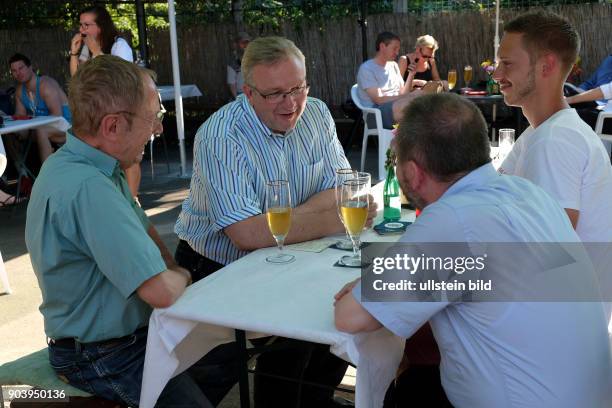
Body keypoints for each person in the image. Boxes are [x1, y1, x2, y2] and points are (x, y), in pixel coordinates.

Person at [334, 92, 612, 408]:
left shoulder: (454, 219)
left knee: (405, 388)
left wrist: (375, 279)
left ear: (412, 172)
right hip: (589, 395)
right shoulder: (529, 194)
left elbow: (350, 318)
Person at [175, 36, 376, 407]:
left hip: (296, 252)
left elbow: (344, 190)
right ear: (247, 93)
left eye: (297, 88)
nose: (291, 103)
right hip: (216, 267)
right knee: (285, 346)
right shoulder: (221, 135)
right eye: (275, 94)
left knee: (332, 321)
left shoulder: (315, 113)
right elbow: (245, 233)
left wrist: (282, 221)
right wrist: (332, 220)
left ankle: (313, 400)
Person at [24, 55, 223, 407]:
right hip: (103, 355)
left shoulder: (90, 164)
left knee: (224, 357)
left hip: (117, 342)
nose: (158, 129)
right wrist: (184, 275)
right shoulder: (88, 186)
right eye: (154, 118)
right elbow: (162, 293)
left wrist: (172, 273)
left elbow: (144, 229)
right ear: (113, 126)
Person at [494, 12, 612, 311]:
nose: (496, 74)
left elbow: (544, 254)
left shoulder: (555, 140)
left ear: (546, 65)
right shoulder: (545, 132)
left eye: (507, 64)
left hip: (553, 327)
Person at [69, 5, 142, 199]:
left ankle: (133, 202)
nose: (82, 30)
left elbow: (119, 79)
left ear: (100, 26)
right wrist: (74, 54)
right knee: (104, 154)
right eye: (81, 25)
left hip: (124, 108)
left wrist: (96, 51)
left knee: (128, 157)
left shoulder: (119, 46)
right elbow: (78, 80)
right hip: (101, 110)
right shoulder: (86, 49)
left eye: (87, 25)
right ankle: (112, 198)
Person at [9, 53, 71, 163]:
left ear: (30, 67)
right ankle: (23, 173)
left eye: (21, 68)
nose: (18, 73)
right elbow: (20, 119)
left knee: (41, 131)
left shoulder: (45, 85)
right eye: (14, 71)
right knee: (9, 136)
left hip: (68, 127)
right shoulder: (19, 91)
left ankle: (48, 175)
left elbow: (57, 116)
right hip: (45, 128)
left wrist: (32, 123)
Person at [356, 32, 422, 129]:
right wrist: (408, 96)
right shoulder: (367, 68)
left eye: (398, 49)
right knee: (412, 103)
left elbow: (403, 92)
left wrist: (411, 75)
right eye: (394, 48)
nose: (397, 53)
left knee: (423, 95)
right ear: (382, 46)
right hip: (376, 114)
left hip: (396, 107)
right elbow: (379, 100)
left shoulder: (393, 65)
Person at [227, 32, 251, 99]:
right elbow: (232, 84)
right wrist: (237, 100)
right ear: (236, 44)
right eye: (243, 42)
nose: (246, 45)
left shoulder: (255, 59)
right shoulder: (233, 63)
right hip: (241, 95)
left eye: (247, 42)